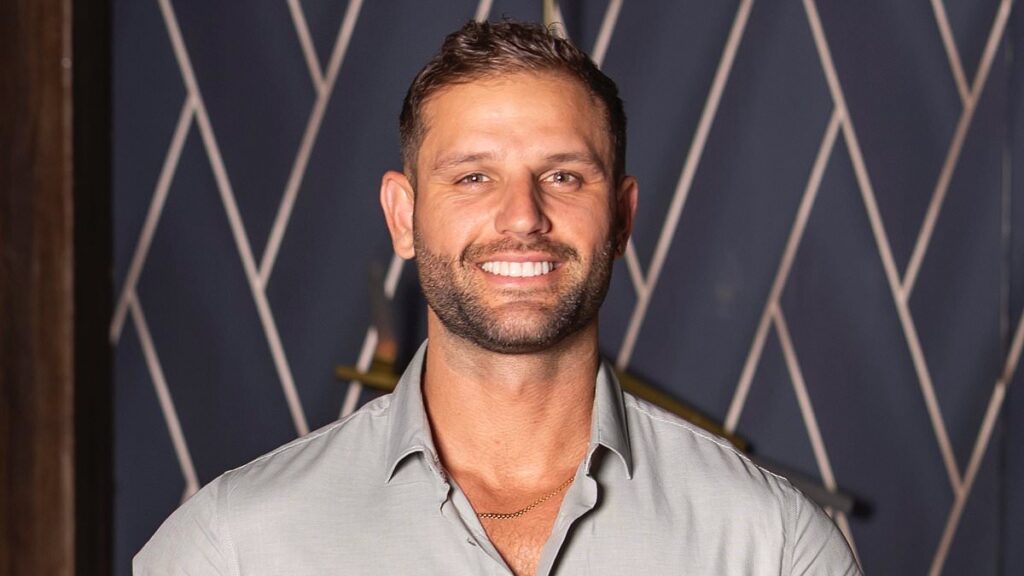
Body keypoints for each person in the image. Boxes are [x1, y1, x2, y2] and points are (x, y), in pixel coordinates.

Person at [135, 19, 861, 576]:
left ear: (622, 219)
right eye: (473, 177)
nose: (522, 217)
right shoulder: (233, 547)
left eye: (564, 176)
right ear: (403, 216)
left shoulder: (773, 546)